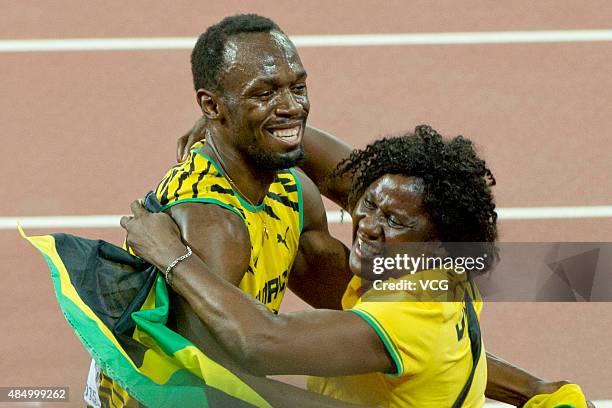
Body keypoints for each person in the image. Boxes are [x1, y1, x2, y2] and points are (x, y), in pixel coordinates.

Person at [121, 126, 589, 407]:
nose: (368, 225)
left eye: (393, 221)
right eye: (367, 205)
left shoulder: (405, 313)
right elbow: (334, 170)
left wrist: (172, 255)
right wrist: (246, 127)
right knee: (315, 250)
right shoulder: (445, 267)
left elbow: (262, 343)